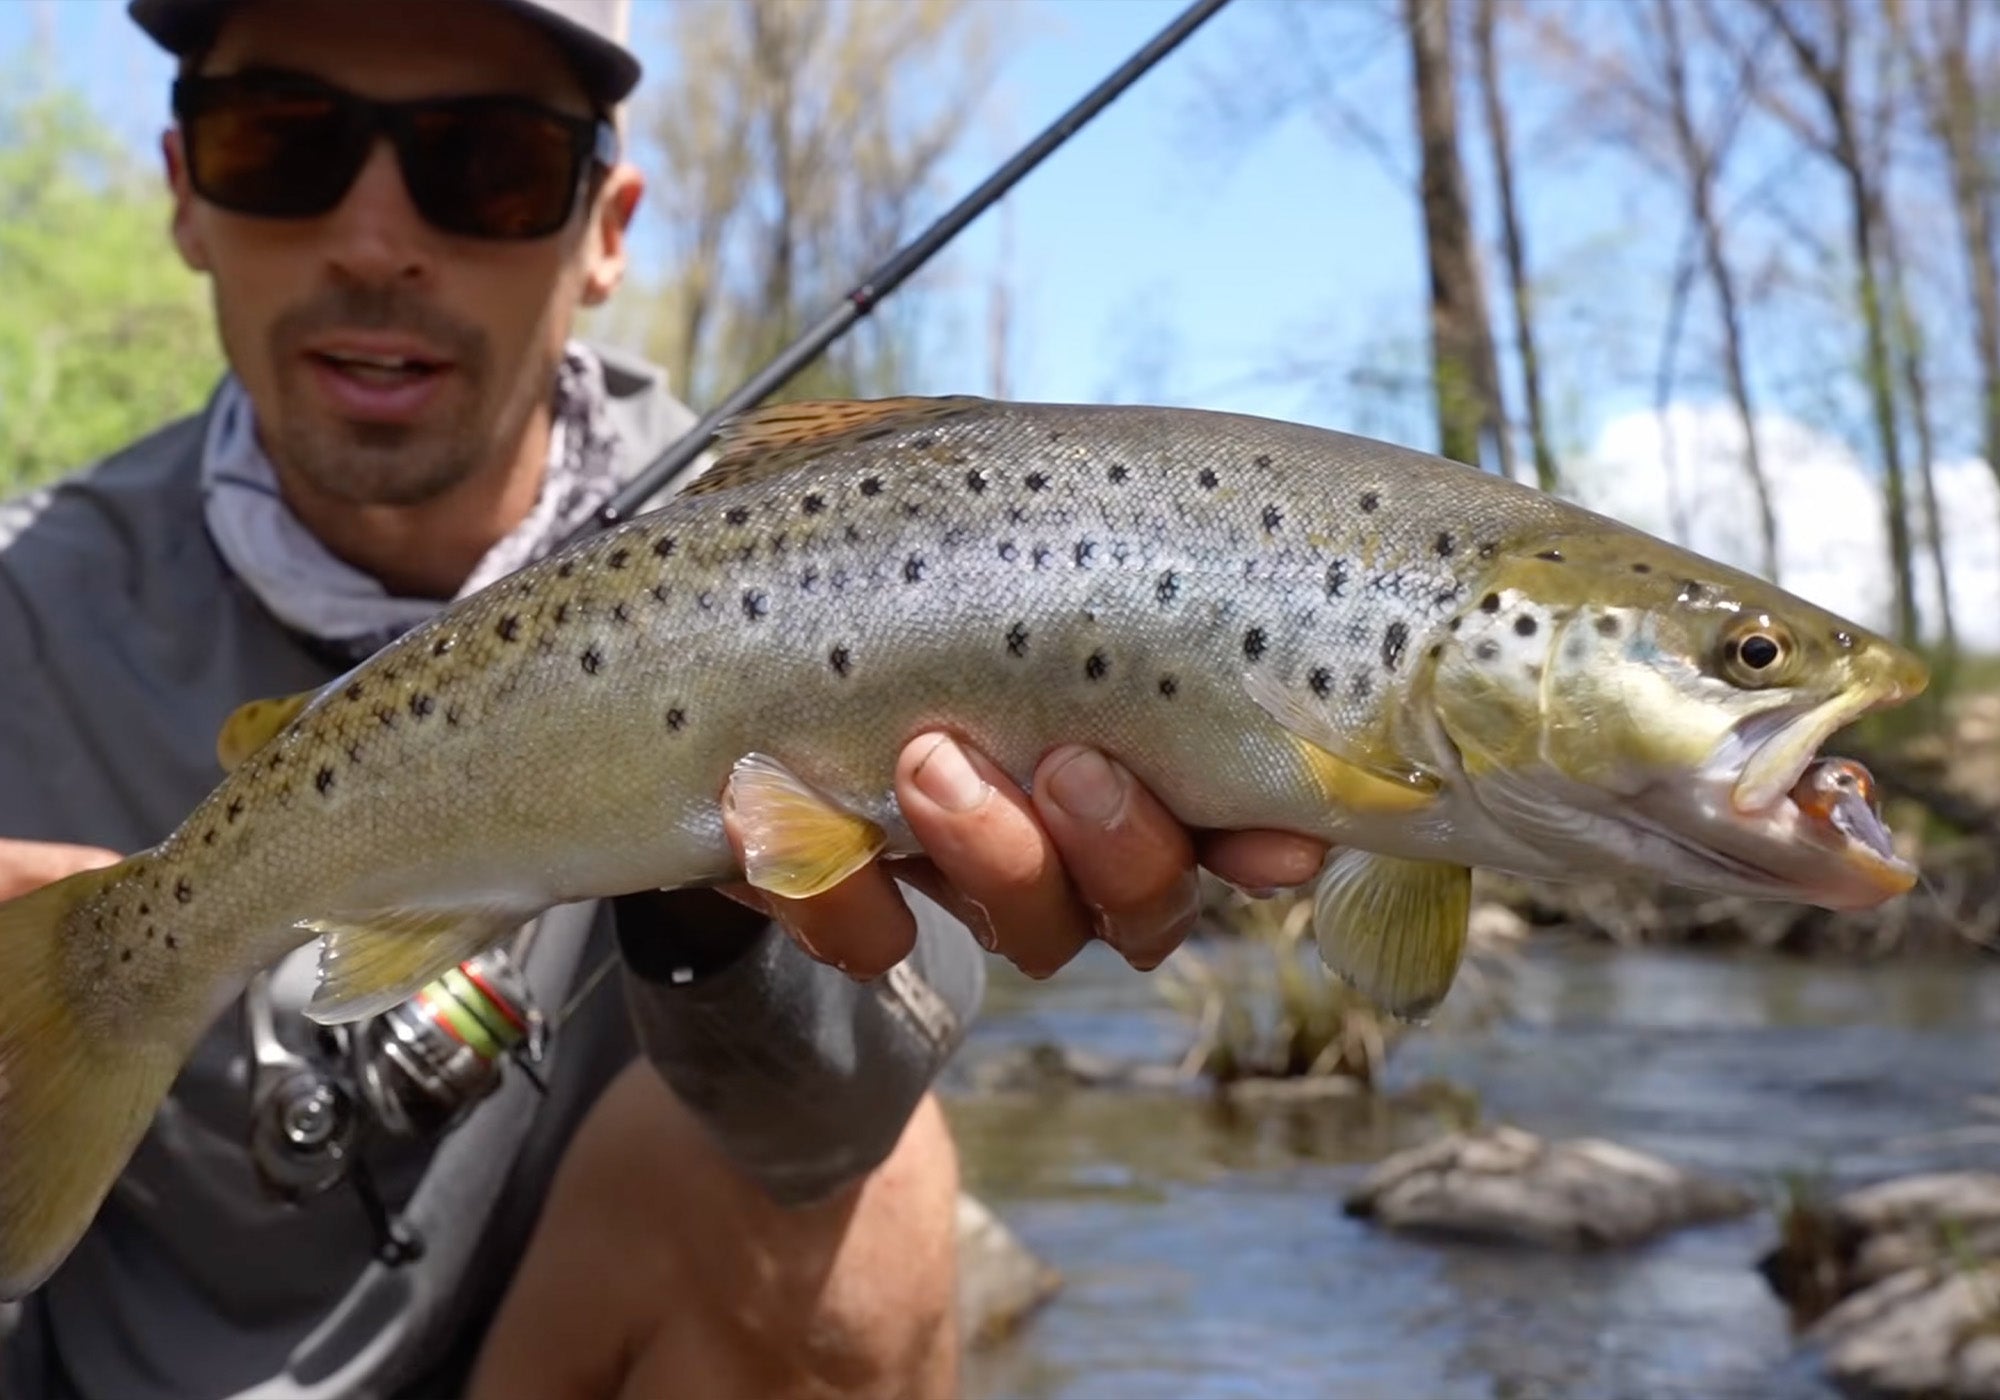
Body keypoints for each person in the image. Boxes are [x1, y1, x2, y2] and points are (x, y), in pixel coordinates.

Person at [0, 1, 1330, 1396]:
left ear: (607, 229)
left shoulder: (867, 553)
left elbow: (830, 1137)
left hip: (570, 1349)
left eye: (487, 165)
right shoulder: (24, 600)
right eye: (281, 144)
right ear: (184, 188)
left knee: (868, 1215)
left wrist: (715, 890)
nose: (376, 242)